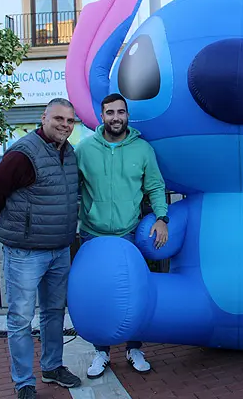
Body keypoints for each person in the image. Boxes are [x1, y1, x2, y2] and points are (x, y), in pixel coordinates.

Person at [0, 98, 82, 399]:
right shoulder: (23, 154)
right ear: (44, 118)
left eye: (70, 121)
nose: (65, 125)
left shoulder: (70, 153)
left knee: (53, 312)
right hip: (25, 253)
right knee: (21, 319)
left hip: (59, 249)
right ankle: (24, 382)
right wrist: (16, 227)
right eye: (59, 119)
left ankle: (52, 366)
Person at [75, 93, 169, 379]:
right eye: (110, 112)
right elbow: (70, 188)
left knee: (134, 293)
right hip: (92, 235)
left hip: (128, 234)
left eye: (121, 112)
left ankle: (134, 348)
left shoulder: (142, 149)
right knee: (99, 295)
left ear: (127, 115)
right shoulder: (84, 148)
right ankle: (101, 353)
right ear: (101, 116)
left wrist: (162, 218)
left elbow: (155, 186)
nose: (116, 117)